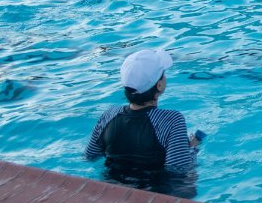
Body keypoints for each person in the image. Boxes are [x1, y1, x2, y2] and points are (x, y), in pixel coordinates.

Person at [84, 49, 201, 189]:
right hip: (154, 193)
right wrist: (192, 148)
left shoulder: (109, 115)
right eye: (163, 74)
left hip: (112, 188)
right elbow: (179, 169)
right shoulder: (172, 120)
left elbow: (90, 156)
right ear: (159, 85)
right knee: (190, 181)